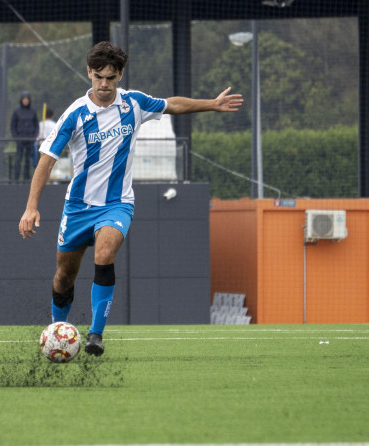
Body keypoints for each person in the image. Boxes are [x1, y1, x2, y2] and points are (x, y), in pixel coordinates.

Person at [18, 41, 242, 356]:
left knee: (105, 253)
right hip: (78, 208)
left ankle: (95, 335)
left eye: (110, 77)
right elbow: (46, 160)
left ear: (120, 74)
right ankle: (57, 331)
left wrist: (211, 103)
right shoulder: (75, 114)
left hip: (117, 203)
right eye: (98, 77)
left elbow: (171, 105)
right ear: (89, 74)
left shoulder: (134, 103)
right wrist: (31, 207)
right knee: (64, 275)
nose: (104, 84)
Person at [10, 91, 39, 182]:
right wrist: (16, 137)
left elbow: (36, 125)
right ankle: (16, 178)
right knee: (18, 158)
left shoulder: (33, 111)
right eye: (24, 99)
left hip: (30, 140)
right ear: (21, 100)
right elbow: (12, 125)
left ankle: (26, 179)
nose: (25, 101)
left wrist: (34, 136)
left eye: (27, 99)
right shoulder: (16, 111)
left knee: (27, 160)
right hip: (20, 140)